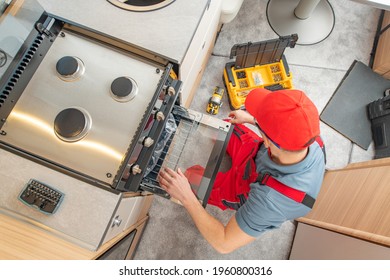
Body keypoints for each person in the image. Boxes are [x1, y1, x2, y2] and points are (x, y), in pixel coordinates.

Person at [158, 88, 326, 254]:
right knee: (224, 124)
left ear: (267, 140)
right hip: (255, 154)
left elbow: (224, 243)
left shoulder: (270, 203)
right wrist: (253, 119)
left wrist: (186, 197)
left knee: (189, 178)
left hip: (245, 187)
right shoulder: (309, 136)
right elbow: (283, 129)